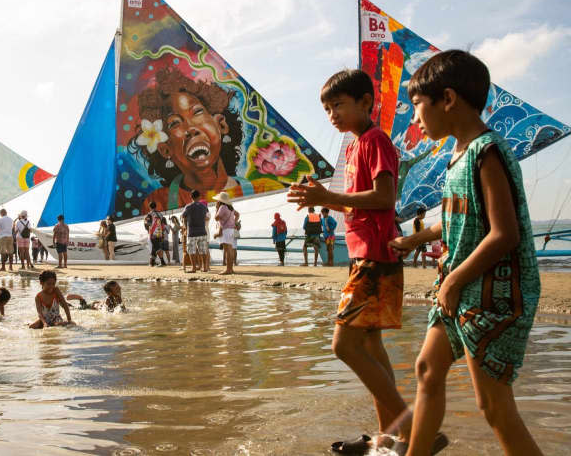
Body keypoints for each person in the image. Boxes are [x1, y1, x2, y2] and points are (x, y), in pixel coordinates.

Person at [389, 50, 542, 456]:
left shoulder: (486, 151)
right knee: (426, 369)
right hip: (459, 289)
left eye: (419, 106)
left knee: (493, 406)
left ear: (449, 99)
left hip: (492, 293)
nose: (416, 119)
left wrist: (454, 280)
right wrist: (416, 240)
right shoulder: (456, 156)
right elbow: (461, 220)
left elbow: (503, 234)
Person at [287, 69, 412, 453]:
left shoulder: (375, 140)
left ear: (365, 103)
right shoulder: (356, 145)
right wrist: (325, 197)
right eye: (327, 109)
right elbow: (361, 200)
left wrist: (328, 200)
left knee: (343, 346)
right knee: (372, 349)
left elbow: (384, 198)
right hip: (366, 256)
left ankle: (415, 427)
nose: (332, 115)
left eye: (338, 105)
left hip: (375, 257)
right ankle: (388, 439)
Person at [133, 68, 283, 213]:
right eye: (175, 123)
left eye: (197, 112)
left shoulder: (266, 190)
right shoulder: (158, 202)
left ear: (220, 124)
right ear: (165, 149)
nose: (191, 128)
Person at [181, 190, 209, 273]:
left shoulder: (188, 206)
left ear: (191, 197)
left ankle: (193, 268)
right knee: (203, 250)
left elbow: (183, 216)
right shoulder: (204, 207)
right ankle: (205, 267)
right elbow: (206, 216)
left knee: (191, 250)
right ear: (199, 197)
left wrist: (185, 227)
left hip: (192, 232)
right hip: (202, 231)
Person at [213, 192, 237, 275]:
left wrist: (216, 209)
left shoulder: (222, 207)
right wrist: (235, 222)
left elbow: (216, 218)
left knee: (227, 250)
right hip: (231, 230)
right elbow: (237, 214)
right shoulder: (231, 208)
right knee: (230, 249)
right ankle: (231, 269)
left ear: (220, 200)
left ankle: (228, 269)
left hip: (225, 230)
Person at [143, 202, 167, 266]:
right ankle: (152, 262)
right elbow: (163, 224)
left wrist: (145, 222)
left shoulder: (149, 214)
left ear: (150, 207)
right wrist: (163, 233)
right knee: (154, 247)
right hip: (160, 233)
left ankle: (162, 262)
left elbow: (147, 223)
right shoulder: (160, 214)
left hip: (153, 233)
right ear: (156, 206)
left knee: (157, 247)